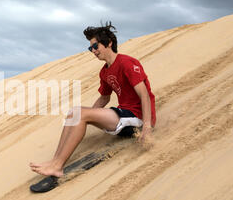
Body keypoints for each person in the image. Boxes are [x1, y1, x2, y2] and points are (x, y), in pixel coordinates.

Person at [30, 21, 156, 177]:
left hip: (138, 118)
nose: (93, 51)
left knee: (81, 114)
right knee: (74, 112)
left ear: (109, 43)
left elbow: (144, 95)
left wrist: (147, 127)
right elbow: (104, 98)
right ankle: (54, 160)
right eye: (91, 48)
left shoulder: (127, 63)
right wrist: (84, 117)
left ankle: (57, 167)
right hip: (123, 116)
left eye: (96, 46)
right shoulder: (104, 72)